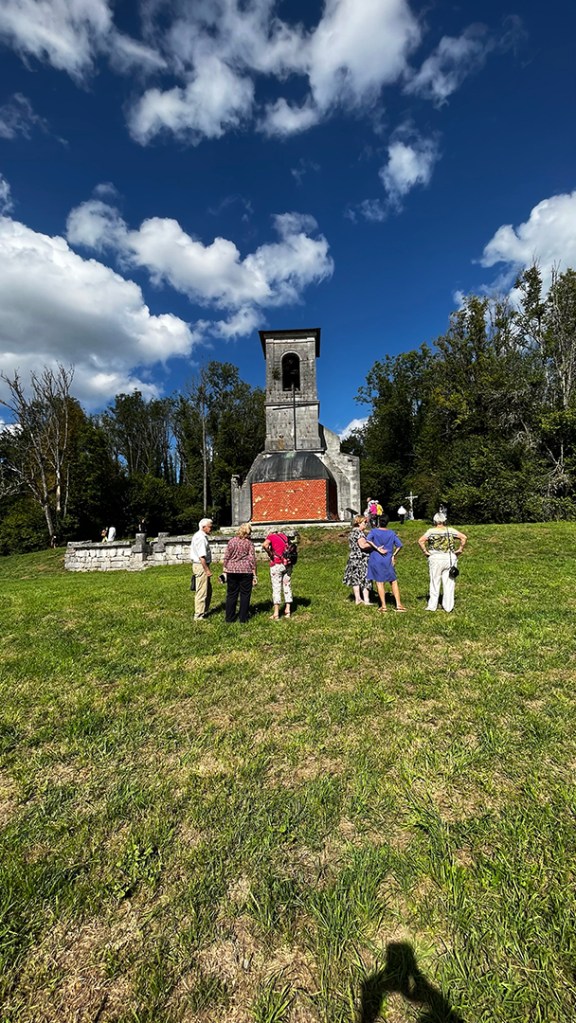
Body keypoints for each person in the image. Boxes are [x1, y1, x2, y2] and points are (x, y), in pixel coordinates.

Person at [418, 512, 467, 613]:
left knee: (434, 581)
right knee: (449, 583)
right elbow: (464, 537)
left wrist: (425, 551)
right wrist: (460, 549)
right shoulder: (450, 530)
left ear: (434, 521)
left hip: (435, 558)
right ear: (444, 520)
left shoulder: (431, 531)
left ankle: (432, 606)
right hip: (449, 558)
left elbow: (421, 541)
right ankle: (448, 606)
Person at [366, 514, 407, 612]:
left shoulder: (374, 531)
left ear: (379, 522)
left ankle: (383, 606)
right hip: (388, 559)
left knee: (379, 582)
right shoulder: (391, 533)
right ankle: (398, 604)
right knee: (393, 581)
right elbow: (399, 545)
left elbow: (368, 540)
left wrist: (377, 548)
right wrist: (393, 555)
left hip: (376, 558)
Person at [222, 522, 258, 623]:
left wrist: (224, 567)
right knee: (245, 594)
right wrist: (255, 574)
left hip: (232, 570)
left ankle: (229, 618)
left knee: (231, 594)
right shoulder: (249, 543)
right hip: (246, 570)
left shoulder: (231, 541)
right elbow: (252, 559)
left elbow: (227, 556)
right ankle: (243, 618)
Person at [262, 530, 294, 620]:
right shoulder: (284, 536)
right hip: (287, 564)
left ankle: (276, 613)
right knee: (287, 585)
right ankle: (288, 610)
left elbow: (264, 545)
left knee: (276, 587)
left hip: (277, 564)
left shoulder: (271, 537)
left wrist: (269, 553)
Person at [342, 514, 372, 606]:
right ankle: (366, 600)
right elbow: (362, 545)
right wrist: (374, 545)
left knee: (355, 578)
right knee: (365, 578)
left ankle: (357, 599)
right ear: (359, 523)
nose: (366, 524)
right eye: (364, 522)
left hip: (353, 558)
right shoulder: (359, 532)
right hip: (361, 558)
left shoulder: (352, 532)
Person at [190, 518, 213, 620]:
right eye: (210, 527)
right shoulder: (201, 538)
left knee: (207, 589)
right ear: (204, 527)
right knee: (202, 591)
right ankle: (198, 615)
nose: (211, 528)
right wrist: (207, 570)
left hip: (200, 565)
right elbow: (201, 556)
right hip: (201, 566)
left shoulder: (200, 536)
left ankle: (204, 610)